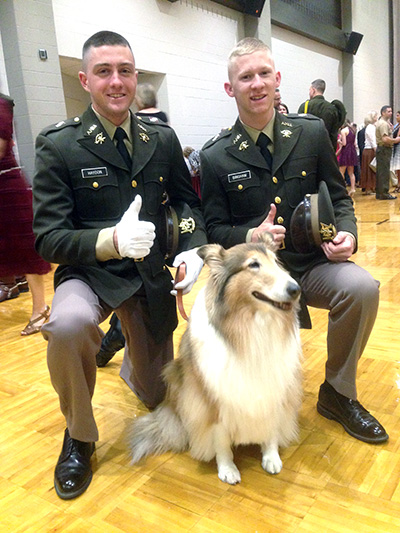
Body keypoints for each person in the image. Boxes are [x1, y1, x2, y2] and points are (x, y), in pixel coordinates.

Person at [32, 30, 206, 500]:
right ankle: (79, 436)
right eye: (104, 72)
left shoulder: (161, 139)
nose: (116, 81)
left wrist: (192, 250)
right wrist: (108, 241)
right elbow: (48, 238)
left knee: (157, 399)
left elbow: (189, 207)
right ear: (86, 79)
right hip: (89, 273)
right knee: (67, 325)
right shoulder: (59, 145)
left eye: (125, 71)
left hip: (147, 276)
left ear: (135, 78)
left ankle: (131, 349)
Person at [200, 37, 388, 448]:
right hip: (258, 279)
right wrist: (250, 236)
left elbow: (338, 196)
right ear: (230, 88)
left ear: (278, 79)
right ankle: (249, 407)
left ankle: (338, 393)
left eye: (264, 73)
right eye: (245, 76)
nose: (257, 84)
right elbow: (212, 227)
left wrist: (348, 234)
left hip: (312, 262)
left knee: (361, 289)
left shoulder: (309, 133)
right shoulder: (215, 156)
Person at [0, 91, 51, 334]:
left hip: (7, 189)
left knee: (26, 251)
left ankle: (40, 309)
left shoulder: (1, 105)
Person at [298, 78, 346, 152]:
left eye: (309, 90)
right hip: (327, 150)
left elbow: (299, 129)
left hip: (308, 149)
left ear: (313, 90)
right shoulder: (332, 108)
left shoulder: (304, 106)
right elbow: (333, 134)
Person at [375, 105, 400, 200]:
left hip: (382, 149)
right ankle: (384, 193)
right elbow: (385, 139)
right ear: (383, 113)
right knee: (384, 172)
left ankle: (380, 193)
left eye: (391, 111)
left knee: (381, 171)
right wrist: (395, 140)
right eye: (388, 111)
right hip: (384, 149)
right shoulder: (383, 124)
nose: (391, 113)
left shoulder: (384, 123)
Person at [337, 119, 359, 196]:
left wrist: (339, 141)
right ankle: (353, 188)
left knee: (341, 171)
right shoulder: (352, 130)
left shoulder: (343, 131)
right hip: (352, 151)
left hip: (346, 151)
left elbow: (344, 143)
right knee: (351, 172)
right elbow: (355, 143)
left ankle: (342, 188)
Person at [360, 111, 378, 195]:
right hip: (370, 150)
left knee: (370, 170)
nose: (376, 117)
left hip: (368, 150)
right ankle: (369, 188)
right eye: (375, 116)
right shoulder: (371, 127)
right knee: (370, 170)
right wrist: (376, 150)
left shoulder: (370, 127)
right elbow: (372, 140)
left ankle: (371, 187)